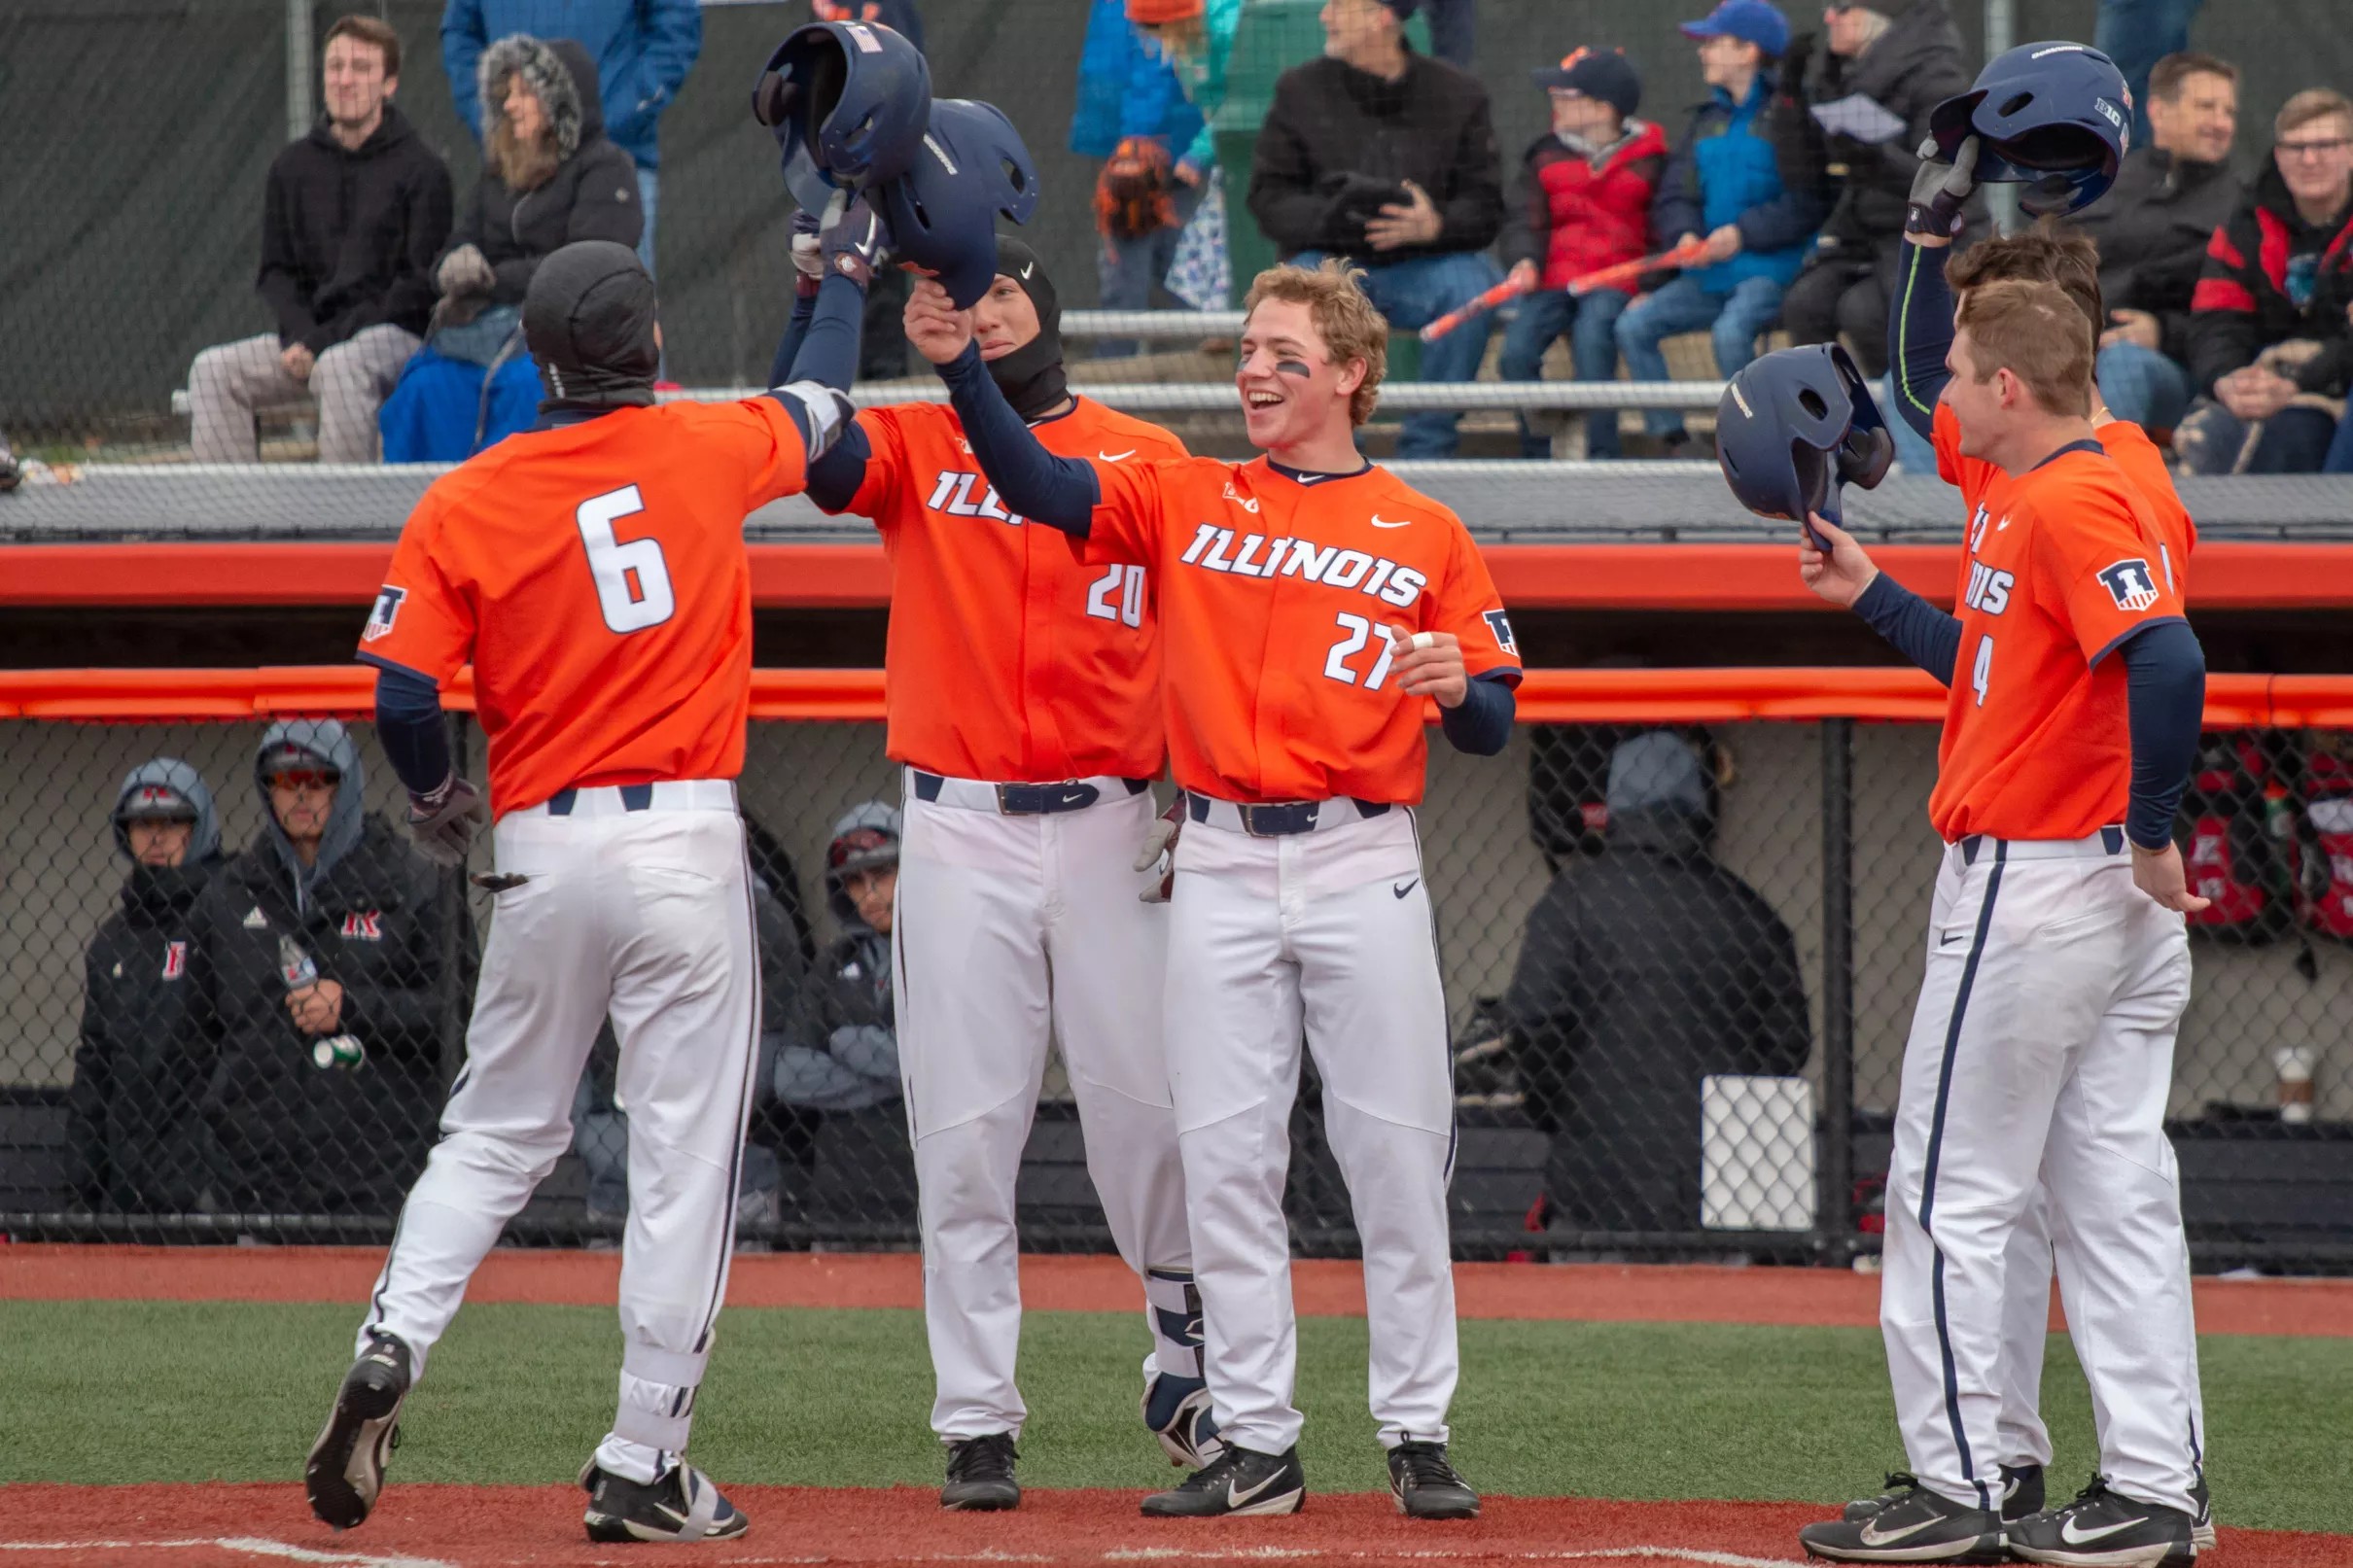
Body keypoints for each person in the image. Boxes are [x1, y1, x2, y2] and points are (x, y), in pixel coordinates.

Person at [907, 257, 1522, 1518]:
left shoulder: (1424, 527)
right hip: (1225, 854)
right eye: (1246, 348)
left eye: (1283, 354)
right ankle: (1254, 1439)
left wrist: (1462, 687)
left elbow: (1494, 720)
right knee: (1229, 1156)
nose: (1253, 370)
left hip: (1359, 854)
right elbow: (1031, 480)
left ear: (1349, 374)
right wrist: (963, 364)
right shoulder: (1182, 495)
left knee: (1395, 1152)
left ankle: (1416, 1428)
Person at [302, 236, 860, 1543]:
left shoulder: (470, 493)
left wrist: (439, 794)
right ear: (650, 348)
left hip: (542, 851)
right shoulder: (711, 447)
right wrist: (834, 281)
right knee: (682, 1161)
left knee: (494, 1132)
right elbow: (824, 410)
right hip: (682, 840)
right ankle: (644, 1455)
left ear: (534, 360)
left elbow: (401, 692)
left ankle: (396, 1336)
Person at [1791, 135, 2210, 1563]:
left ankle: (1965, 1484)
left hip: (2048, 883)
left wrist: (2155, 834)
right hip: (2095, 891)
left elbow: (2167, 657)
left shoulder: (2074, 493)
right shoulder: (2088, 467)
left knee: (1949, 1188)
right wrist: (1867, 591)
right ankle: (2152, 1491)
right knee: (2108, 1200)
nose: (1945, 399)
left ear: (2015, 385)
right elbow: (1986, 659)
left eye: (1972, 375)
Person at [774, 233, 1213, 1510]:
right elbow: (809, 441)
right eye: (956, 294)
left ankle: (1185, 1354)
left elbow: (1202, 631)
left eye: (1003, 290)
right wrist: (831, 285)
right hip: (958, 824)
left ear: (1046, 306)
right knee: (965, 1134)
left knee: (1147, 1117)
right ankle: (976, 1420)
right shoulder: (914, 441)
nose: (980, 312)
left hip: (1111, 821)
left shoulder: (1149, 455)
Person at [1500, 730, 1809, 1237]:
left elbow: (1534, 1018)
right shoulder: (1749, 912)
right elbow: (1788, 1041)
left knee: (1589, 1307)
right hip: (1728, 1186)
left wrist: (1560, 1107)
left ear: (1615, 808)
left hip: (1596, 1177)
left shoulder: (1573, 901)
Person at [187, 722, 451, 1220]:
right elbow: (194, 1037)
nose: (302, 794)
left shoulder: (411, 881)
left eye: (317, 778)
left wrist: (355, 1007)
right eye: (286, 781)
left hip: (379, 1180)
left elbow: (458, 1011)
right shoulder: (228, 894)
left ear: (344, 783)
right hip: (254, 1182)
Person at [1246, 0, 1506, 458]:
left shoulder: (1458, 94)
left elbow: (1487, 206)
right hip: (1330, 266)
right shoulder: (1299, 91)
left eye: (1339, 6)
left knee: (1472, 287)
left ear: (1380, 16)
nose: (1325, 16)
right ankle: (1332, 453)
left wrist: (1435, 225)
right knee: (1298, 295)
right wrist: (1337, 216)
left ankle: (1429, 451)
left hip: (1427, 266)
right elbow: (1269, 200)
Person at [188, 16, 451, 465]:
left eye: (361, 68)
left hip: (393, 340)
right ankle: (231, 527)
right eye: (335, 66)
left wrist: (322, 342)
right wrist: (301, 337)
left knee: (341, 367)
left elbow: (415, 291)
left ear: (389, 84)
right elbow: (277, 272)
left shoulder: (423, 171)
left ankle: (343, 526)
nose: (345, 80)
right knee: (213, 371)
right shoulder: (291, 167)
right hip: (308, 342)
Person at [381, 35, 644, 463]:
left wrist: (491, 281)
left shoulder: (606, 168)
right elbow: (462, 239)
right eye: (507, 94)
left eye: (525, 94)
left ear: (559, 102)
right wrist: (454, 266)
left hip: (567, 345)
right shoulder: (499, 171)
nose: (510, 105)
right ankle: (419, 508)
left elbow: (584, 266)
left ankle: (510, 508)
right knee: (423, 386)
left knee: (525, 387)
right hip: (486, 332)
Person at [1617, 0, 1829, 457]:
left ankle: (1765, 446)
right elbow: (1676, 195)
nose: (1702, 52)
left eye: (1713, 43)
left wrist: (1743, 235)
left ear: (1748, 51)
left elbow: (1810, 201)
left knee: (1731, 334)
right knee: (1634, 326)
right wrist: (1684, 235)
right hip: (1706, 273)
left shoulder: (1791, 117)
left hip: (1772, 268)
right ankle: (1672, 441)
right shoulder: (1704, 122)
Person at [66, 762, 229, 1215]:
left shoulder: (230, 919)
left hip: (212, 1186)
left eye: (173, 822)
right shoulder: (112, 942)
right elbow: (94, 1070)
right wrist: (79, 1192)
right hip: (128, 1185)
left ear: (198, 829)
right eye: (142, 823)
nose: (156, 837)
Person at [1780, 4, 1970, 382]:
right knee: (1804, 305)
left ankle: (1913, 423)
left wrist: (1877, 156)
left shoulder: (1935, 72)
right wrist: (1791, 98)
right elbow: (1802, 174)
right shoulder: (1850, 74)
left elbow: (1948, 178)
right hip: (1862, 232)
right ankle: (1833, 428)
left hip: (1925, 233)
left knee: (1863, 312)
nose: (1828, 17)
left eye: (1841, 7)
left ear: (1876, 15)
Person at [441, 0, 698, 276]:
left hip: (618, 154)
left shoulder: (610, 162)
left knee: (616, 295)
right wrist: (492, 117)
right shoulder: (510, 123)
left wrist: (618, 113)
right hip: (517, 169)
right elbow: (459, 31)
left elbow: (677, 24)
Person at [1496, 48, 1667, 460]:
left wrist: (1651, 285)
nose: (1553, 101)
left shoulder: (1655, 160)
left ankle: (1602, 453)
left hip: (1617, 281)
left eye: (1565, 95)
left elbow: (1667, 229)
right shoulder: (1543, 154)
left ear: (1602, 108)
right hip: (1552, 281)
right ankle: (1537, 452)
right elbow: (1522, 220)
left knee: (1595, 340)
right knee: (1515, 354)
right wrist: (1524, 261)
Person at [2175, 88, 2353, 474]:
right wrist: (2226, 380)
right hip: (2257, 379)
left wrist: (2298, 380)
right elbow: (2215, 319)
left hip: (2334, 384)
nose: (2309, 159)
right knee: (2211, 435)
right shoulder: (2246, 223)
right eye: (2295, 147)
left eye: (2325, 145)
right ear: (2278, 155)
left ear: (2351, 153)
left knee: (2293, 434)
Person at [2072, 52, 2243, 434]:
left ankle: (2097, 487)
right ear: (2158, 111)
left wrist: (2163, 333)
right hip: (2070, 349)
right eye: (2206, 107)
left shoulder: (2241, 206)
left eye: (2229, 112)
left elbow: (2245, 320)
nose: (2221, 123)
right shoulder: (2105, 183)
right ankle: (1943, 493)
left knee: (2125, 363)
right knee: (1952, 363)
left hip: (2171, 370)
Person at [774, 805, 918, 1226]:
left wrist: (845, 1044)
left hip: (926, 1186)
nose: (869, 894)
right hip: (839, 1189)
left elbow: (945, 1071)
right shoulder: (834, 961)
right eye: (855, 882)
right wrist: (892, 1077)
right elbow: (788, 1073)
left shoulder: (944, 955)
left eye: (882, 875)